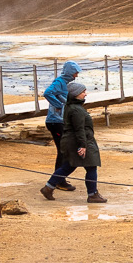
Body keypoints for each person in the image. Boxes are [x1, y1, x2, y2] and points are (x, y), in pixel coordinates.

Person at [42, 80, 106, 203]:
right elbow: (79, 129)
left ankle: (48, 187)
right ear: (76, 94)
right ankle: (92, 195)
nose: (85, 94)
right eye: (83, 92)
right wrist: (82, 146)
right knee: (91, 166)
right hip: (79, 141)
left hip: (70, 141)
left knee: (69, 165)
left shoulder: (71, 106)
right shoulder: (76, 110)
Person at [41, 61, 80, 190]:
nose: (76, 76)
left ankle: (58, 179)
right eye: (75, 73)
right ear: (69, 72)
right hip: (55, 121)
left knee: (64, 151)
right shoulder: (59, 82)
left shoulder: (64, 83)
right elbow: (47, 93)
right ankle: (58, 181)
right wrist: (58, 105)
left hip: (60, 121)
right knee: (63, 151)